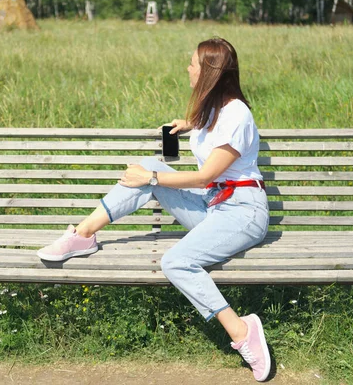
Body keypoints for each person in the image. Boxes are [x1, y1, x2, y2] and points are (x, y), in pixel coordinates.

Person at [37, 37, 271, 382]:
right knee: (148, 167)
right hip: (214, 206)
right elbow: (212, 147)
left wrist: (153, 177)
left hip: (243, 213)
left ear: (209, 71)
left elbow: (206, 175)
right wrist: (190, 125)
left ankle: (242, 330)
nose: (188, 69)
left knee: (176, 260)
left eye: (193, 64)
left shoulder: (237, 115)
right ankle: (83, 234)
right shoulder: (215, 109)